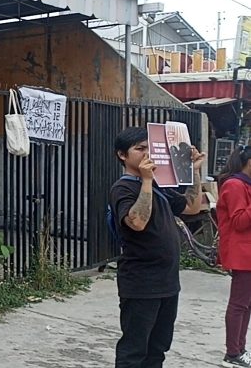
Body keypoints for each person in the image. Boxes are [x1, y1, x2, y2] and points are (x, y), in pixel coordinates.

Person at [109, 126, 205, 368]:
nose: (146, 153)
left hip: (168, 283)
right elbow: (137, 222)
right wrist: (147, 181)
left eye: (149, 148)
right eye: (139, 149)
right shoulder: (124, 187)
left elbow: (192, 208)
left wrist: (194, 171)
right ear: (122, 155)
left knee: (157, 350)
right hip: (141, 283)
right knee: (134, 352)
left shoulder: (161, 187)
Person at [216, 145, 251, 368]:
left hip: (247, 251)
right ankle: (233, 352)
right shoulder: (234, 185)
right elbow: (239, 221)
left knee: (246, 304)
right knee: (239, 304)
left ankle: (240, 348)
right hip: (241, 253)